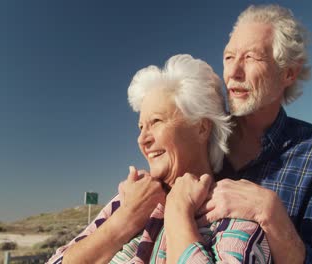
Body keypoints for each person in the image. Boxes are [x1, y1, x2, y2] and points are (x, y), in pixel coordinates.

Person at [46, 54, 271, 264]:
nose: (142, 139)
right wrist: (125, 219)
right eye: (140, 127)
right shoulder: (128, 200)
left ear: (201, 128)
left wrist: (177, 212)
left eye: (156, 122)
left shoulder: (235, 212)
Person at [196, 5, 312, 264]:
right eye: (229, 57)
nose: (233, 73)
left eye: (251, 57)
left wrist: (270, 213)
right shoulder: (203, 134)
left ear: (288, 73)